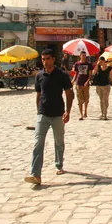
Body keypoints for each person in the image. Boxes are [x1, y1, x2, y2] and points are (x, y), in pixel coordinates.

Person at [24, 48, 74, 185]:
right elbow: (38, 95)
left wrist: (67, 111)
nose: (45, 62)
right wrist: (38, 112)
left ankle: (59, 164)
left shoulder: (61, 75)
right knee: (38, 143)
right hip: (43, 113)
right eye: (43, 59)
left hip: (58, 113)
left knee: (59, 141)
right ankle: (35, 174)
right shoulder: (39, 76)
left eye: (47, 59)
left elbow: (70, 93)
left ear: (53, 59)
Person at [72, 51, 93, 120]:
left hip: (86, 83)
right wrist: (73, 80)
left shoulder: (89, 64)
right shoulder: (77, 64)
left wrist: (87, 81)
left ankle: (85, 111)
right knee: (79, 99)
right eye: (82, 55)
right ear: (80, 56)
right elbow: (76, 73)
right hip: (79, 83)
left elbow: (90, 74)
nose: (83, 56)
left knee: (86, 99)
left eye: (85, 55)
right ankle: (81, 114)